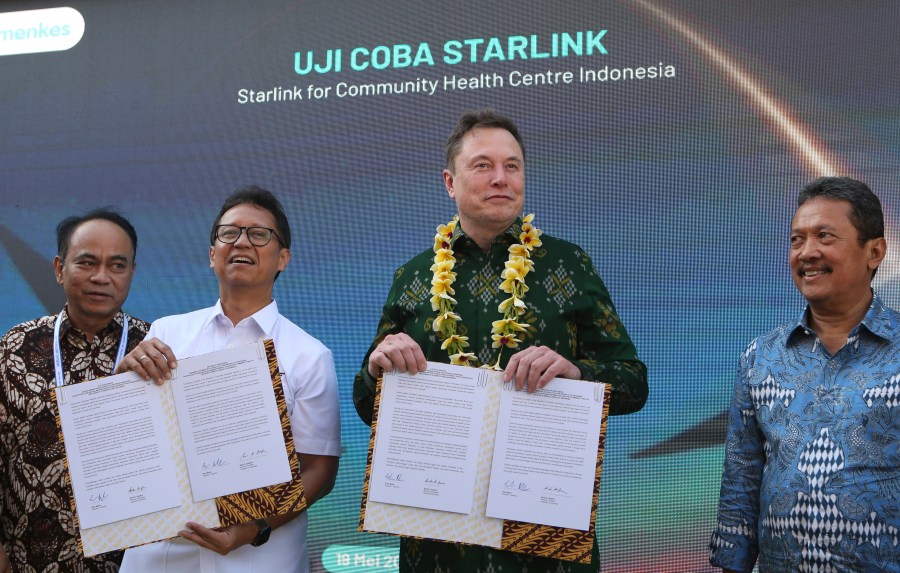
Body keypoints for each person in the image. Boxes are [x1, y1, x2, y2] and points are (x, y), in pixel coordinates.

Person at [354, 109, 648, 573]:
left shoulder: (568, 264)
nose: (500, 178)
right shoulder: (411, 278)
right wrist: (376, 370)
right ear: (450, 182)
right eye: (483, 165)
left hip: (543, 537)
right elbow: (367, 405)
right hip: (438, 540)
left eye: (512, 166)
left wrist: (578, 374)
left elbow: (633, 384)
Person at [117, 186, 340, 573]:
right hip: (164, 551)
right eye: (229, 233)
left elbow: (319, 470)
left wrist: (254, 528)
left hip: (261, 556)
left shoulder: (309, 355)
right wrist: (122, 386)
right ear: (211, 255)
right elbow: (131, 439)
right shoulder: (167, 333)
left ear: (282, 258)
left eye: (259, 235)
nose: (242, 242)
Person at [709, 176, 900, 572]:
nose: (807, 252)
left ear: (875, 251)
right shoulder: (760, 357)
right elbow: (741, 482)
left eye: (825, 236)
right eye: (797, 240)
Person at [0, 209, 149, 572]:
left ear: (131, 273)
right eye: (87, 262)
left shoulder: (157, 348)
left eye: (117, 265)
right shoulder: (13, 348)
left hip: (136, 564)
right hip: (31, 560)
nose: (102, 277)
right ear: (58, 268)